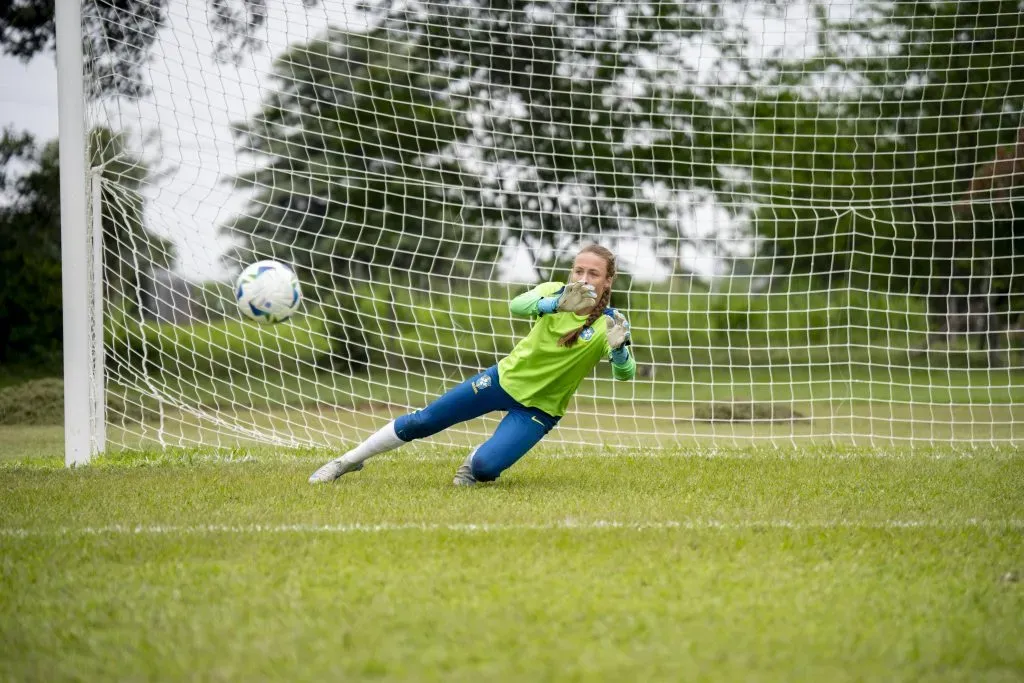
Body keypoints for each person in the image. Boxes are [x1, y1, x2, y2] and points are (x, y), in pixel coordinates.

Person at [308, 243, 636, 487]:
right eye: (578, 270)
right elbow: (517, 305)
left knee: (483, 470)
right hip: (502, 381)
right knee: (424, 421)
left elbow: (625, 374)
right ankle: (346, 462)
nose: (584, 278)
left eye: (593, 273)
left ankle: (478, 458)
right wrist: (554, 304)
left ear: (608, 281)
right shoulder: (555, 292)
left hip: (540, 409)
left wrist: (619, 350)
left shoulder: (611, 323)